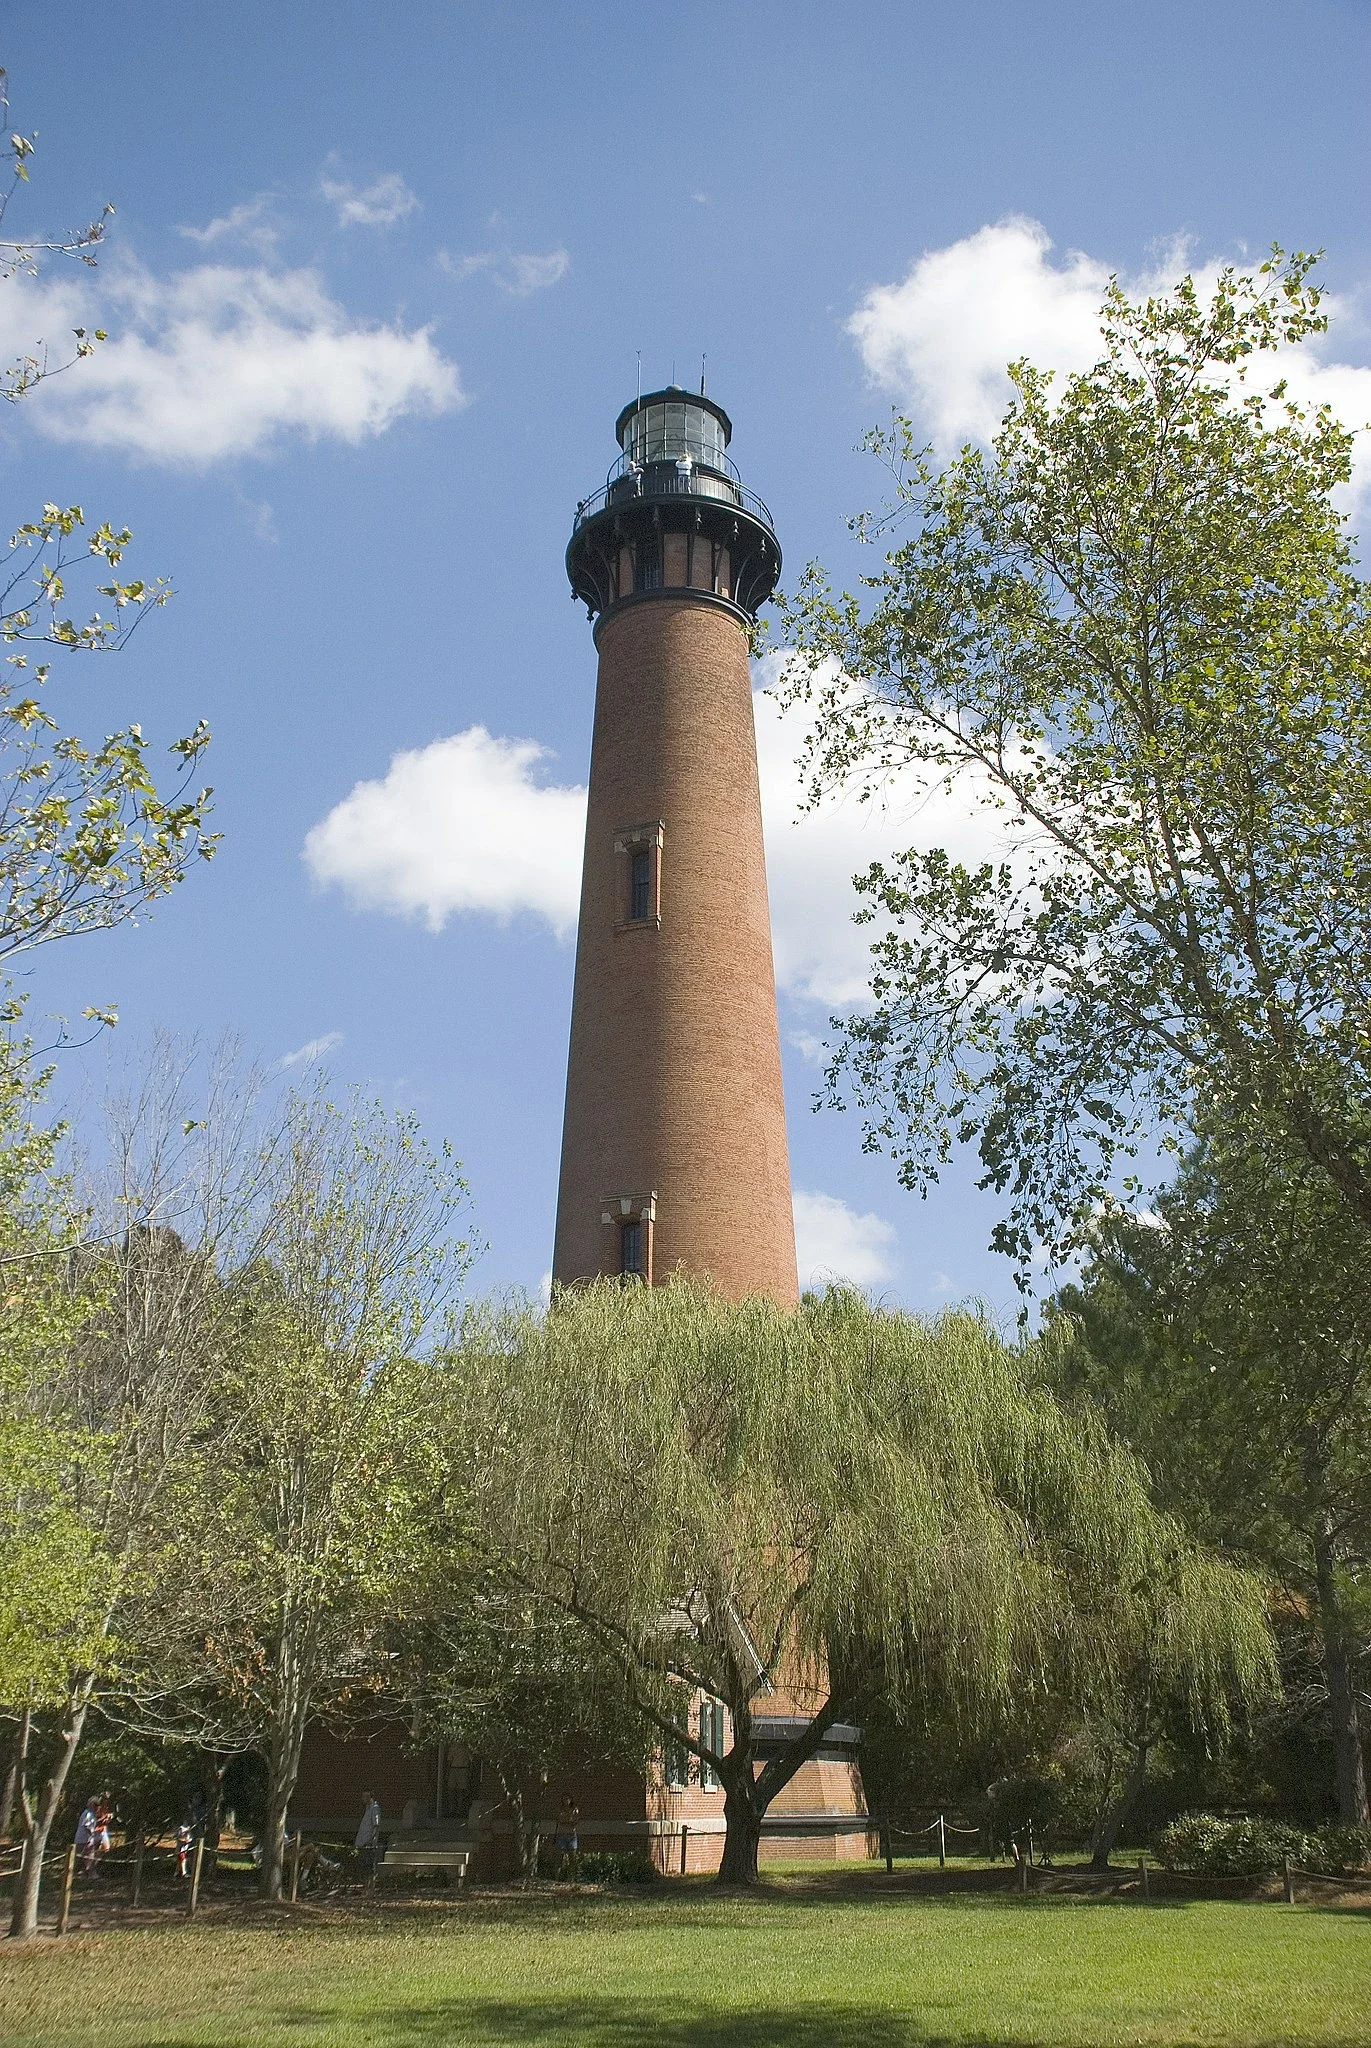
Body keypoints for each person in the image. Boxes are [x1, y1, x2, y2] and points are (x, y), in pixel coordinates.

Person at [355, 1792, 381, 1875]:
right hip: (362, 1843)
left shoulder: (375, 1808)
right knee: (363, 1867)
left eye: (365, 1797)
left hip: (368, 1844)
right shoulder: (368, 1809)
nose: (363, 1799)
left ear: (370, 1797)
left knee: (369, 1866)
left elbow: (376, 1825)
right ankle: (366, 1885)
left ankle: (370, 1886)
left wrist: (371, 1840)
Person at [554, 1796, 580, 1883]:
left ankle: (571, 1879)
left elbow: (575, 1821)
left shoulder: (575, 1810)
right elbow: (560, 1820)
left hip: (572, 1836)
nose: (566, 1801)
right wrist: (568, 1820)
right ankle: (557, 1878)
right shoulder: (560, 1810)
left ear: (571, 1800)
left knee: (572, 1858)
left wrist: (568, 1819)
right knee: (559, 1857)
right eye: (564, 1799)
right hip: (561, 1835)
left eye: (568, 1799)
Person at [74, 1800, 100, 1876]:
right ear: (91, 1805)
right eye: (96, 1805)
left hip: (88, 1840)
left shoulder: (91, 1814)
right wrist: (93, 1834)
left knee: (89, 1858)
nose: (97, 1808)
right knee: (78, 1858)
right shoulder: (88, 1814)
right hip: (83, 1840)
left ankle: (89, 1875)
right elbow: (87, 1826)